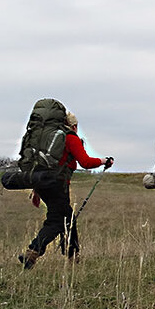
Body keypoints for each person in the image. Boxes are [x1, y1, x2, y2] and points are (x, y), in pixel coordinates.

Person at [20, 111, 112, 269]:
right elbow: (85, 162)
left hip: (42, 184)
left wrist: (36, 190)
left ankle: (73, 256)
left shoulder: (48, 139)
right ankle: (33, 252)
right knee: (56, 221)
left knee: (68, 219)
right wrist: (104, 161)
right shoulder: (70, 137)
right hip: (58, 185)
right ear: (74, 126)